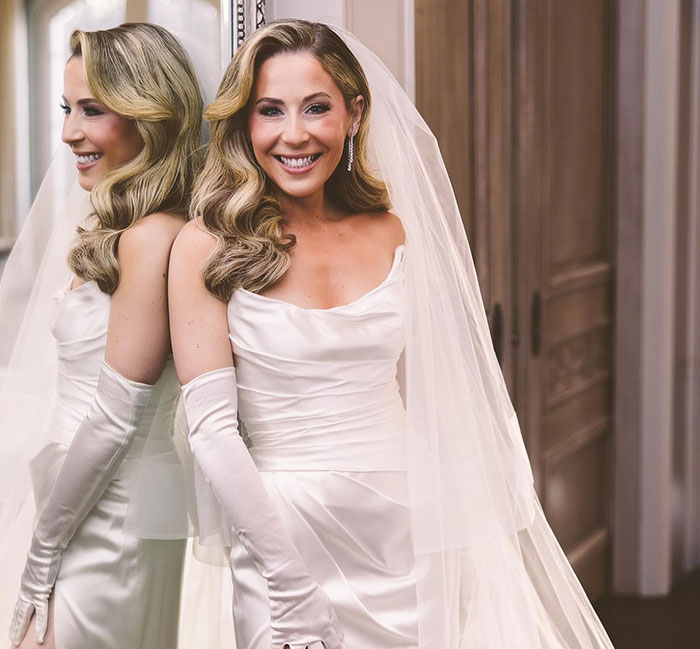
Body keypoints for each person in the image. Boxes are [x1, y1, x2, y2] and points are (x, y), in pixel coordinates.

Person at [170, 19, 616, 649]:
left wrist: (466, 541)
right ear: (245, 124)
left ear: (354, 115)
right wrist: (288, 581)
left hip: (412, 531)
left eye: (316, 108)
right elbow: (212, 434)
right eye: (270, 111)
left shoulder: (393, 233)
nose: (293, 134)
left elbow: (436, 397)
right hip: (281, 539)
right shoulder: (205, 247)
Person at [0, 23, 203, 649]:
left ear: (151, 115)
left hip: (114, 512)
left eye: (93, 109)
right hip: (81, 499)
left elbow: (116, 417)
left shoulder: (153, 237)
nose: (68, 133)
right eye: (67, 109)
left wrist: (42, 552)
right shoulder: (121, 229)